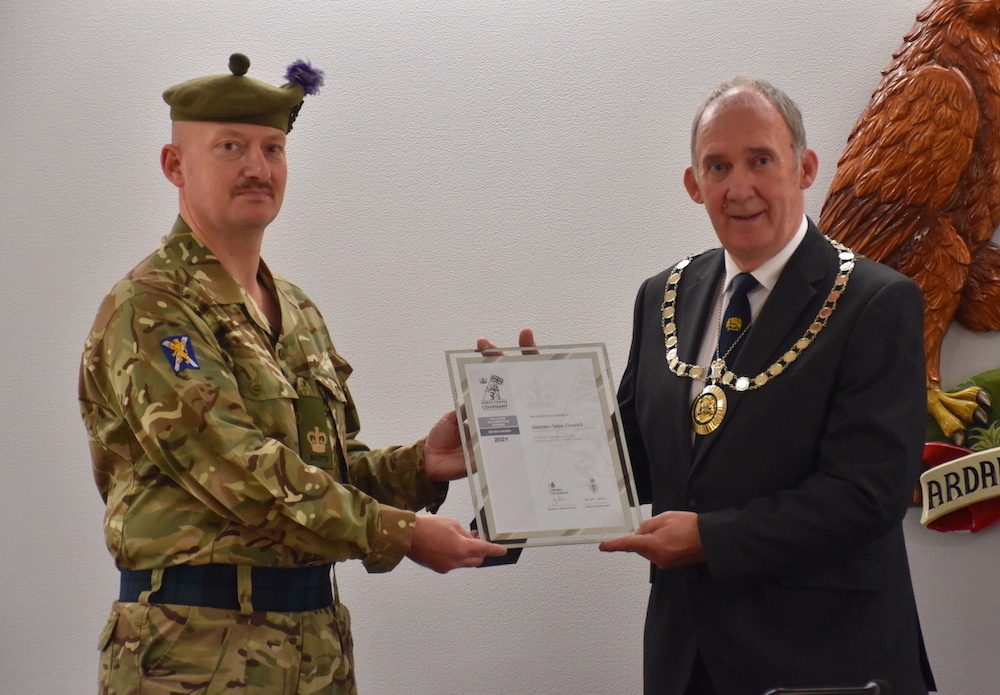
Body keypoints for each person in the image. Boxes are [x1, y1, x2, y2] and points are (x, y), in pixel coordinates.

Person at [79, 53, 510, 695]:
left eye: (273, 149)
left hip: (314, 649)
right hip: (193, 654)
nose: (258, 168)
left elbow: (322, 470)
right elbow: (240, 473)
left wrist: (421, 465)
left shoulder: (297, 309)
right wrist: (402, 533)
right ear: (175, 166)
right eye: (230, 147)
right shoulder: (152, 306)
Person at [599, 77, 936, 694]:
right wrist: (526, 413)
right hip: (686, 661)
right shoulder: (662, 297)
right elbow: (628, 460)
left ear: (804, 167)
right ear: (693, 184)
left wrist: (710, 540)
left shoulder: (876, 301)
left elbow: (867, 494)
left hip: (825, 661)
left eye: (760, 160)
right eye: (718, 166)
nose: (739, 188)